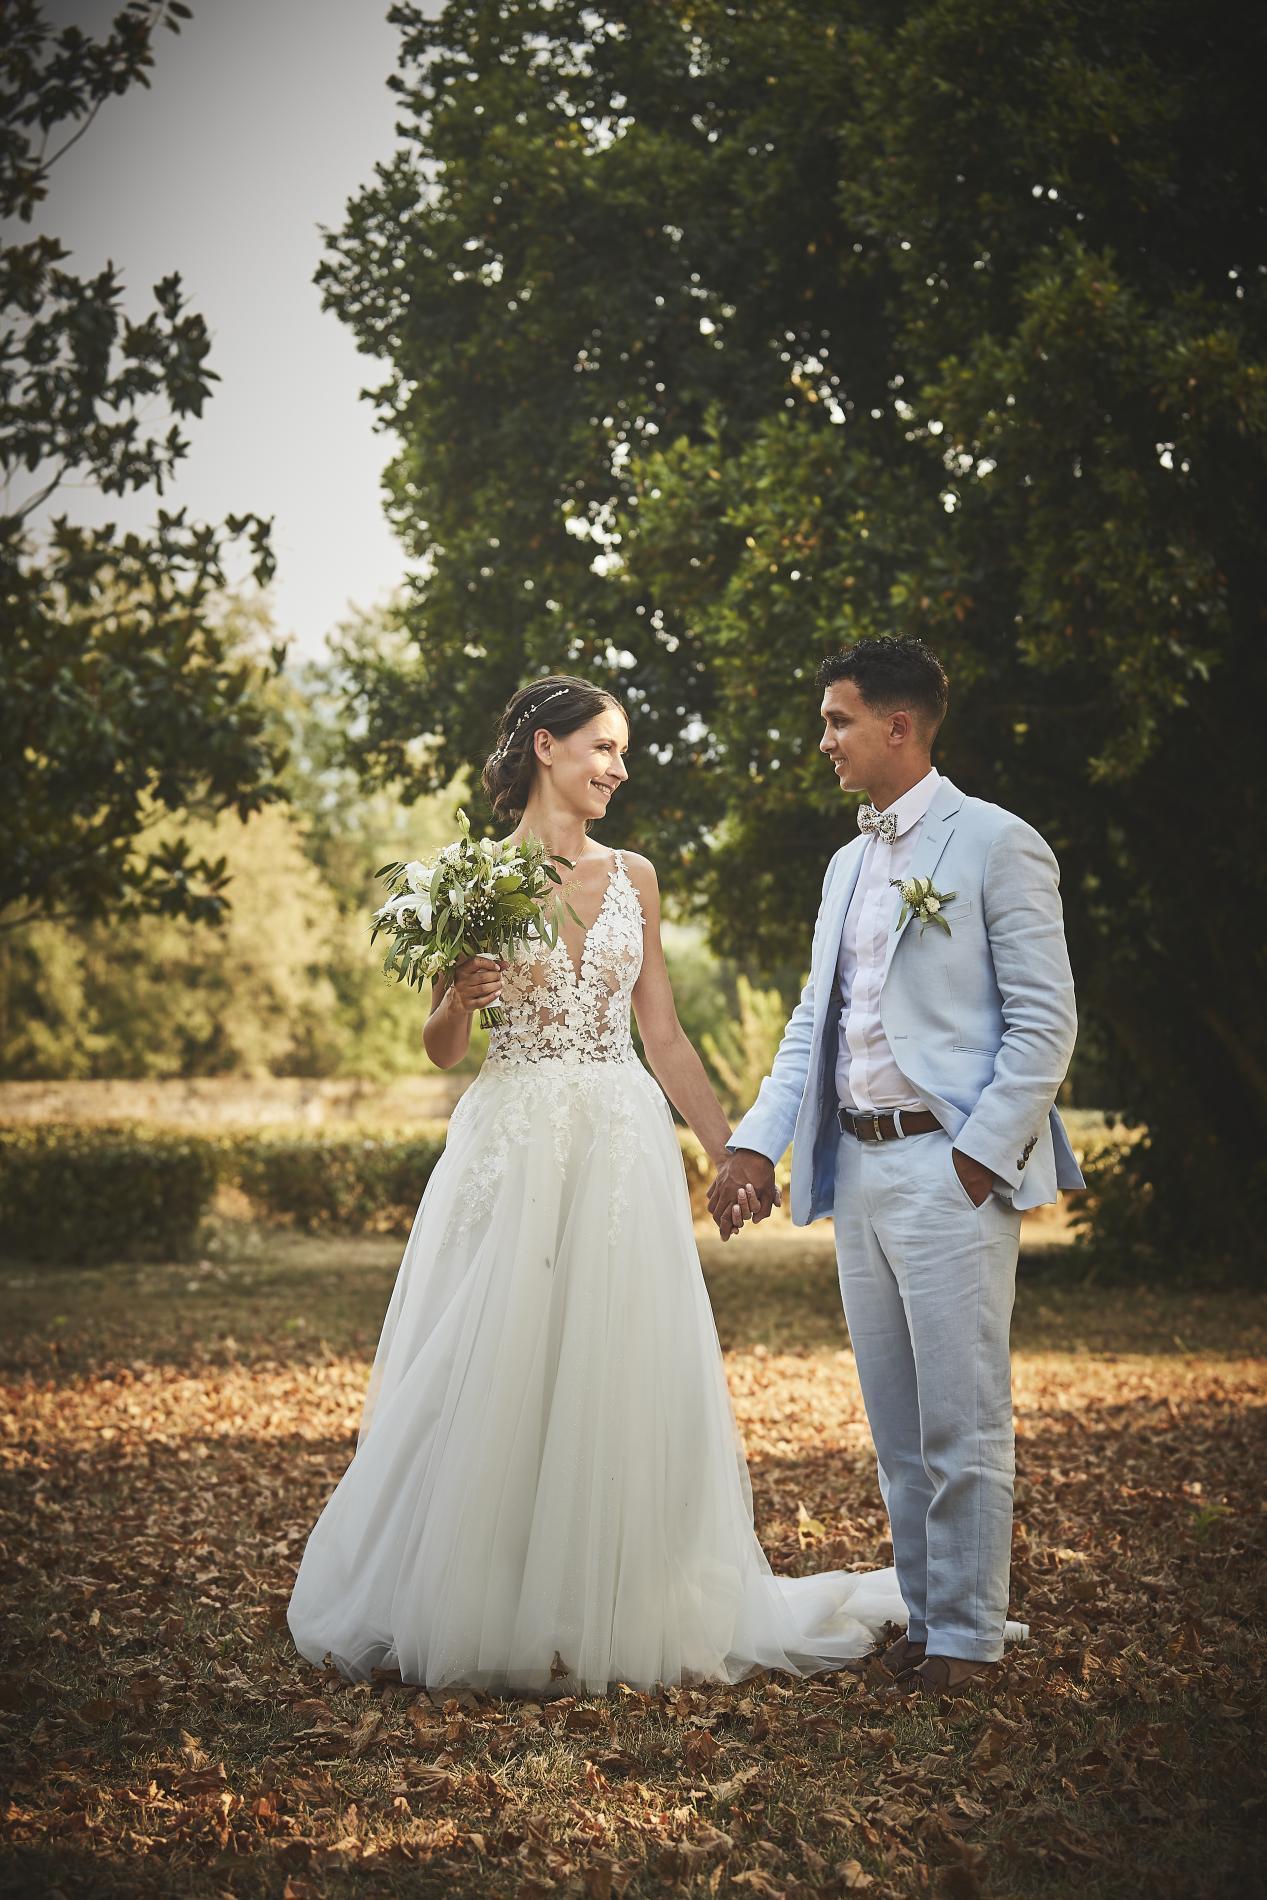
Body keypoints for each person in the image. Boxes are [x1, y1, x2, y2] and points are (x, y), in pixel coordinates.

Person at [288, 673, 945, 1696]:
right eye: (603, 747)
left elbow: (663, 1034)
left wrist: (733, 1151)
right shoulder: (470, 879)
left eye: (622, 753)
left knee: (611, 1361)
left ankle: (609, 1600)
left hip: (618, 1144)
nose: (617, 769)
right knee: (493, 1359)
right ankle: (480, 1597)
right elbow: (442, 1044)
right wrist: (458, 997)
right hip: (511, 1140)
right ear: (545, 747)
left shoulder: (635, 876)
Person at [710, 636, 1080, 1699]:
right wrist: (755, 1140)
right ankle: (926, 1619)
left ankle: (966, 1640)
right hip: (859, 1169)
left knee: (962, 1417)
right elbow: (811, 1025)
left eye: (837, 721)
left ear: (897, 726)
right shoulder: (846, 864)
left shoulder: (997, 843)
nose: (824, 740)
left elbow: (1043, 1023)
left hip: (947, 1165)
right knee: (897, 1424)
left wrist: (977, 1158)